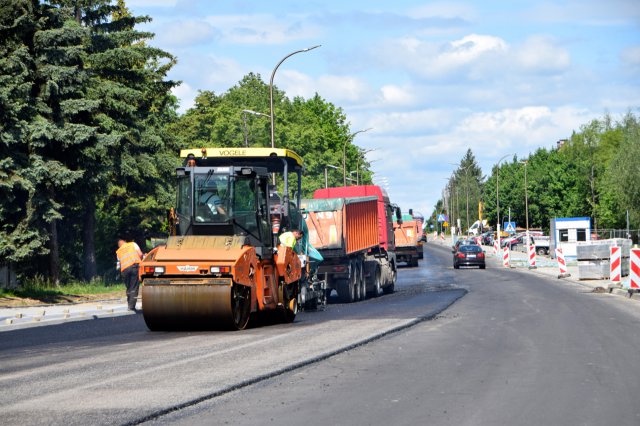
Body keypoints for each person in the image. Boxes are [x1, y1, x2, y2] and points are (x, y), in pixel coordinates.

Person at [116, 238, 144, 311]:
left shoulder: (118, 251)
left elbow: (119, 264)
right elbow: (140, 254)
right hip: (134, 267)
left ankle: (129, 304)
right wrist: (141, 261)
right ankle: (131, 307)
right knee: (134, 287)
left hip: (124, 270)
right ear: (125, 241)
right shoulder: (132, 244)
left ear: (119, 246)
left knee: (128, 287)